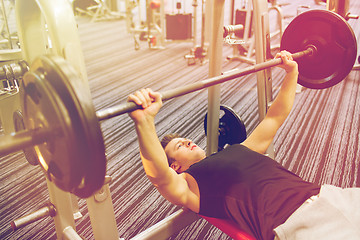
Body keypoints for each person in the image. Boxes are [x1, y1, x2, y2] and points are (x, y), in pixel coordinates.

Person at [127, 51, 360, 240]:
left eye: (186, 139)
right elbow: (159, 176)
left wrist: (292, 73)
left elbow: (274, 117)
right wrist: (145, 122)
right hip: (299, 224)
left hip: (332, 197)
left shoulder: (241, 149)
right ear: (176, 166)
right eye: (179, 146)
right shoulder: (189, 185)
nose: (188, 141)